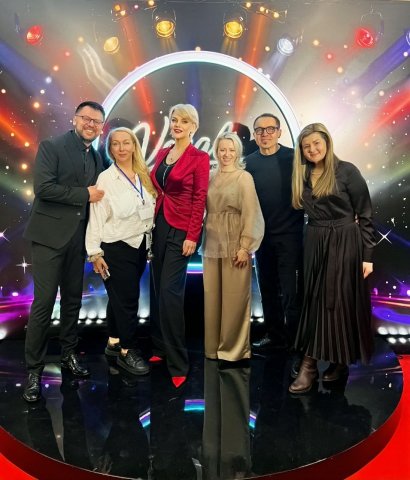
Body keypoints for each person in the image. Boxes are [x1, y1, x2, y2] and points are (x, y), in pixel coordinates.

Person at [22, 101, 106, 402]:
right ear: (75, 119)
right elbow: (44, 188)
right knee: (44, 304)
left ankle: (68, 354)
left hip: (78, 240)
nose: (91, 124)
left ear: (101, 127)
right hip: (49, 238)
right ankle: (34, 371)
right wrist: (84, 194)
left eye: (96, 121)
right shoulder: (52, 146)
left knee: (73, 301)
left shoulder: (97, 157)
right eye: (86, 118)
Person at [288, 123, 376, 394]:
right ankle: (331, 362)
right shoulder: (302, 175)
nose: (312, 149)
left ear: (327, 142)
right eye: (306, 146)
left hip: (345, 241)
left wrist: (367, 256)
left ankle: (312, 365)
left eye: (316, 143)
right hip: (314, 240)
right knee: (314, 300)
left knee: (337, 302)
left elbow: (365, 214)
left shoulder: (347, 171)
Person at [85, 127, 157, 376]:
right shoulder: (106, 178)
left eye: (126, 142)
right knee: (128, 301)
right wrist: (95, 252)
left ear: (134, 145)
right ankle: (128, 351)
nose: (122, 148)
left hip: (139, 245)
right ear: (110, 149)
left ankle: (114, 342)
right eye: (116, 144)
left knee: (119, 298)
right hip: (115, 248)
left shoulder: (143, 175)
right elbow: (96, 216)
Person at [149, 103, 210, 388]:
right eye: (174, 119)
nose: (177, 125)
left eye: (184, 121)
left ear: (193, 126)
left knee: (170, 293)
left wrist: (192, 235)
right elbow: (157, 188)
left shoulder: (199, 157)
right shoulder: (163, 152)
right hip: (159, 226)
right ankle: (160, 347)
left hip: (182, 230)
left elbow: (200, 198)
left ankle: (178, 363)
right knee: (157, 290)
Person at [201, 132, 264, 361]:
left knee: (235, 298)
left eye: (231, 150)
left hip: (236, 243)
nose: (226, 154)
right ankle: (212, 348)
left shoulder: (244, 177)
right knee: (212, 298)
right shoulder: (209, 176)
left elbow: (251, 212)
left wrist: (245, 246)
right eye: (222, 149)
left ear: (237, 152)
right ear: (216, 151)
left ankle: (233, 351)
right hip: (211, 242)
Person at [245, 114, 304, 351]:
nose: (265, 134)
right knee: (268, 290)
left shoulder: (295, 158)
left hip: (291, 237)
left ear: (279, 132)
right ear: (254, 135)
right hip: (261, 238)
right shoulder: (248, 163)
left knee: (291, 293)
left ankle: (297, 342)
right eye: (260, 130)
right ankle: (275, 336)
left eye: (270, 129)